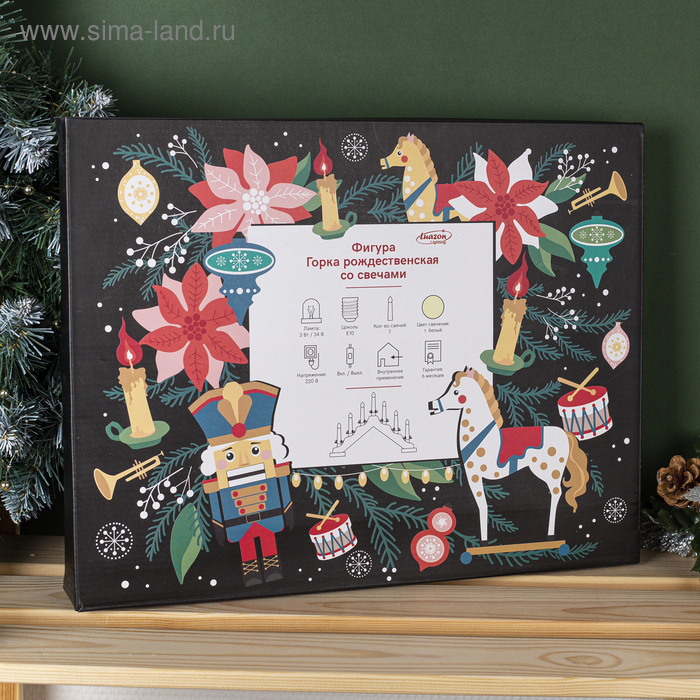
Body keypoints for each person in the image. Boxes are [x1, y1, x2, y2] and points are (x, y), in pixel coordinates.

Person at [189, 381, 293, 587]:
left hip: (269, 515)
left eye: (255, 450)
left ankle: (273, 569)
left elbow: (282, 486)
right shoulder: (218, 485)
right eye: (229, 456)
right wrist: (218, 523)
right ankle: (251, 573)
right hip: (238, 522)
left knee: (268, 540)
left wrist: (288, 507)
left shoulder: (275, 472)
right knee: (246, 545)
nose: (244, 461)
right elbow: (216, 501)